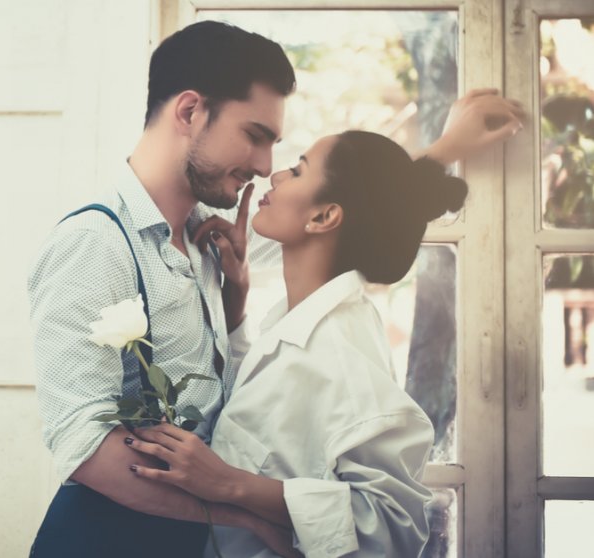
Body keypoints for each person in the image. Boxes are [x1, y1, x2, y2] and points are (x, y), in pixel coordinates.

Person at [26, 20, 523, 558]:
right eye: (255, 135)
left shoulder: (213, 235)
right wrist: (236, 509)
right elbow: (83, 445)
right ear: (190, 112)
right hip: (106, 542)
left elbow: (351, 213)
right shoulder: (95, 244)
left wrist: (446, 147)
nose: (266, 168)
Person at [124, 131, 479, 557]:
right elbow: (270, 415)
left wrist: (230, 484)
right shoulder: (302, 321)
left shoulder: (344, 351)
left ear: (324, 216)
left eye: (297, 170)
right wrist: (235, 307)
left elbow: (392, 524)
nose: (275, 174)